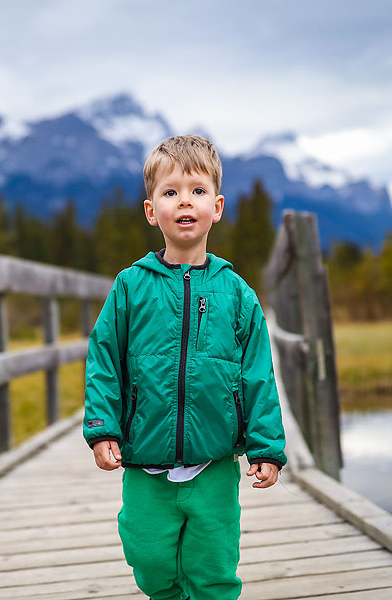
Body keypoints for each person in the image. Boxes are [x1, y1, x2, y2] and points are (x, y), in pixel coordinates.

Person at [83, 134, 288, 600]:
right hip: (144, 461)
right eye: (170, 192)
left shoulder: (238, 294)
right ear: (152, 211)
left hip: (213, 463)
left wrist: (267, 448)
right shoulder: (130, 287)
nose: (184, 202)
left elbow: (258, 375)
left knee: (213, 567)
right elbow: (104, 360)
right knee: (150, 561)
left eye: (196, 191)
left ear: (216, 207)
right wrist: (102, 428)